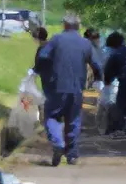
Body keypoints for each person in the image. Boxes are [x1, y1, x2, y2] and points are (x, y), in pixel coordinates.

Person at [44, 13, 103, 165]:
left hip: (57, 86)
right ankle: (72, 155)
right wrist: (98, 79)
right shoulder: (85, 43)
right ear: (78, 26)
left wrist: (45, 72)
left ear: (65, 25)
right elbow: (96, 65)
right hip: (77, 88)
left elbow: (43, 57)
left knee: (52, 115)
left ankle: (58, 143)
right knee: (74, 119)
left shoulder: (56, 39)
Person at [102, 31, 126, 134]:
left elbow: (108, 72)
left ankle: (117, 126)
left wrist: (107, 82)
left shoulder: (115, 55)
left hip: (125, 80)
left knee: (121, 103)